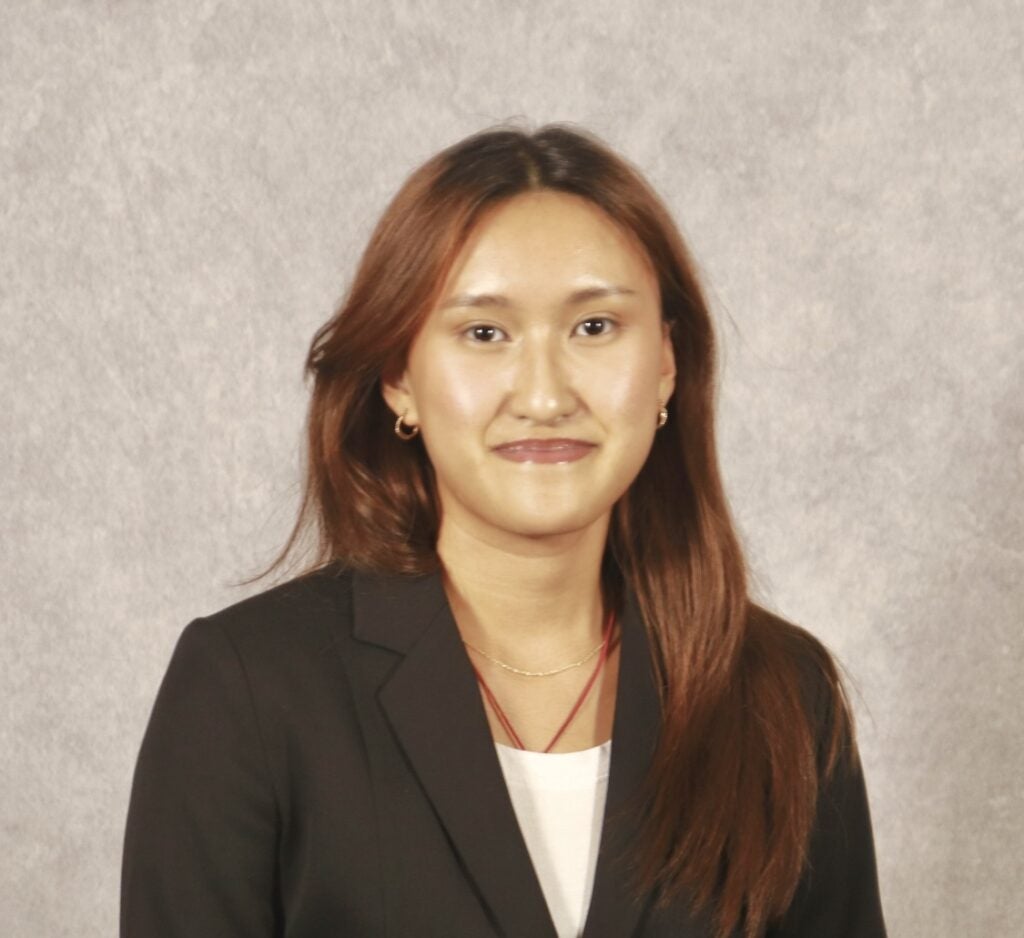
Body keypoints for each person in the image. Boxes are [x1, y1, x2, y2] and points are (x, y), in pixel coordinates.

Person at [120, 125, 887, 938]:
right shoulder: (251, 689)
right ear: (398, 378)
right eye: (484, 334)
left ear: (666, 363)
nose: (546, 395)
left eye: (595, 327)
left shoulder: (780, 694)